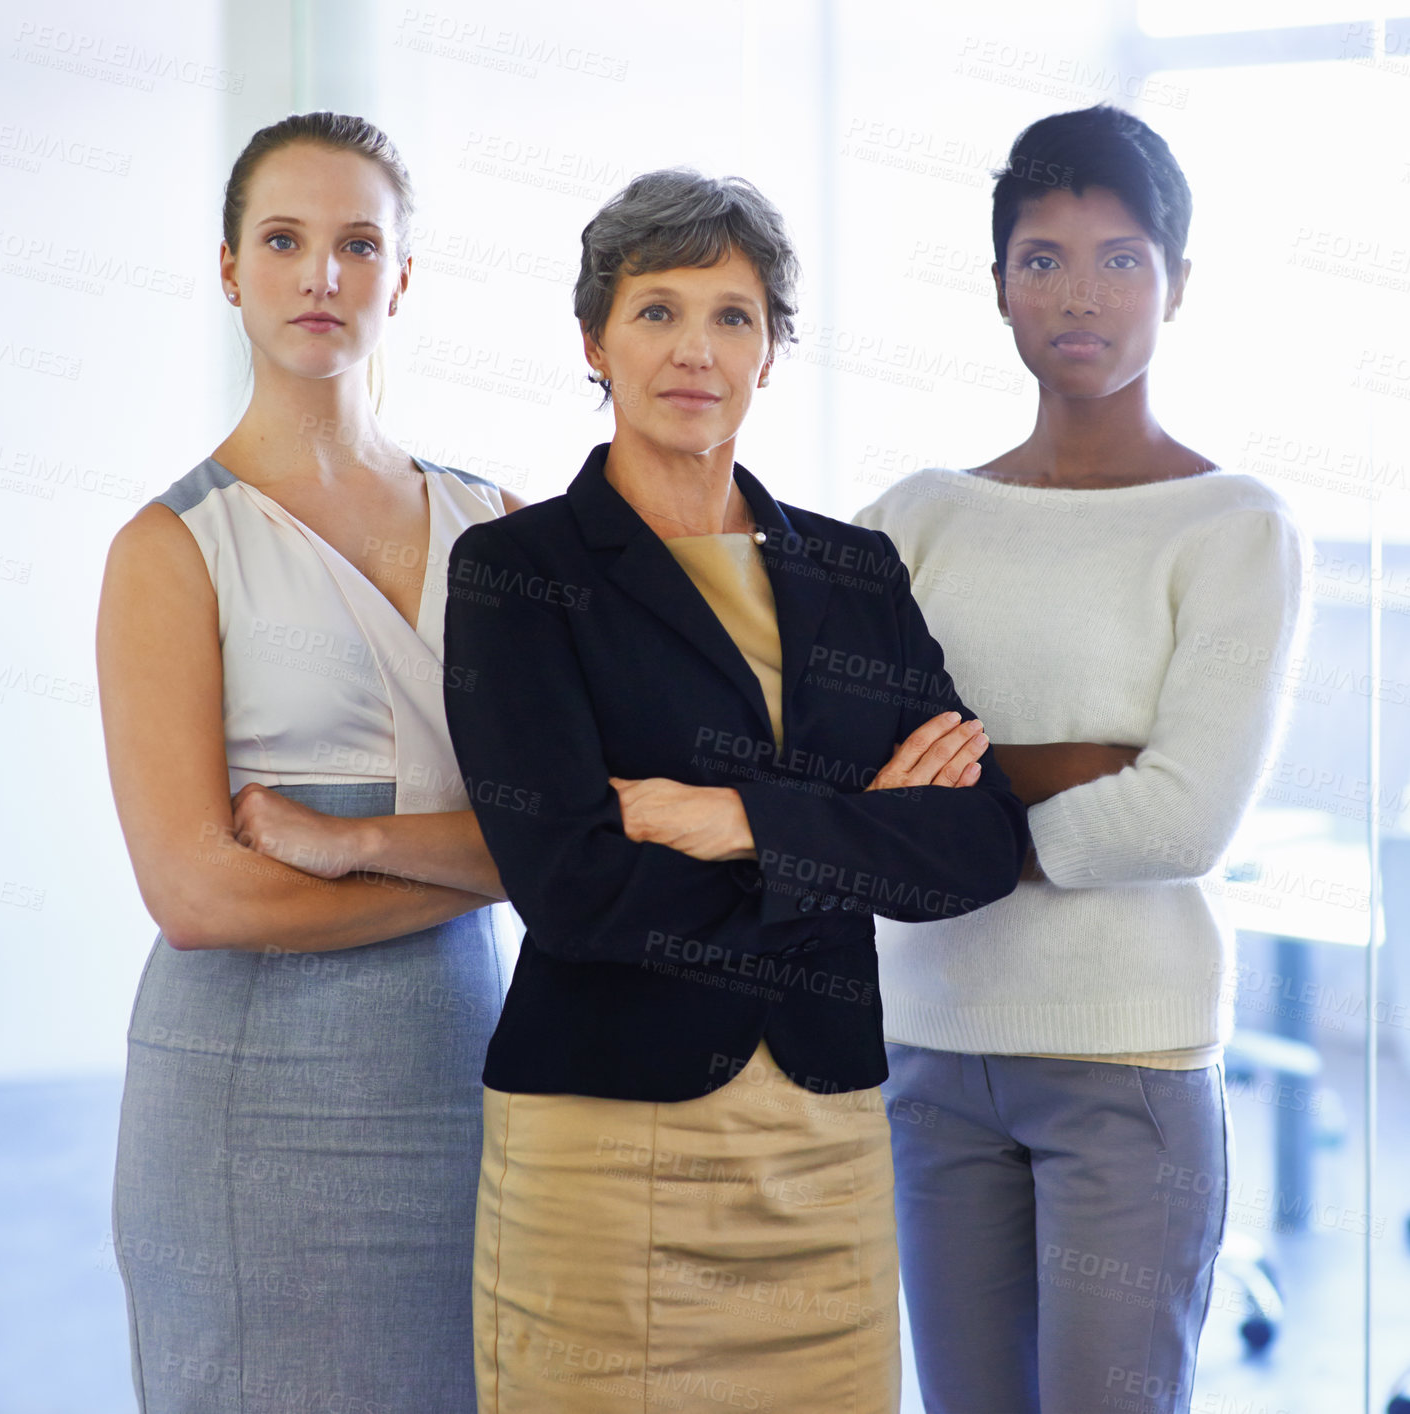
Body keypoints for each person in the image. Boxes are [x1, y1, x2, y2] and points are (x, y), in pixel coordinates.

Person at [440, 167, 1029, 1414]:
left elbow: (975, 842)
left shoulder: (855, 569)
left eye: (733, 315)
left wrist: (735, 819)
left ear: (773, 352)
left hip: (824, 1145)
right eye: (656, 311)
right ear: (593, 339)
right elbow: (574, 887)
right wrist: (856, 828)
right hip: (599, 1147)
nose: (693, 350)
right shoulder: (515, 570)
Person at [854, 104, 1308, 1414]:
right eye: (1040, 257)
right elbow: (839, 775)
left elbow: (1180, 821)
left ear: (1176, 282)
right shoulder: (912, 516)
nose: (1079, 293)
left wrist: (942, 812)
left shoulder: (1231, 527)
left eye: (1120, 257)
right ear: (996, 283)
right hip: (932, 1056)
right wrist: (1083, 758)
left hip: (1127, 1066)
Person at [96, 112, 521, 1414]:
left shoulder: (493, 524)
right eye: (284, 240)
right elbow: (198, 895)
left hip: (456, 1071)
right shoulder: (171, 549)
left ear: (403, 276)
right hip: (244, 1090)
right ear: (230, 269)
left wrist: (360, 842)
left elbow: (559, 826)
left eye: (356, 244)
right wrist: (495, 869)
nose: (321, 275)